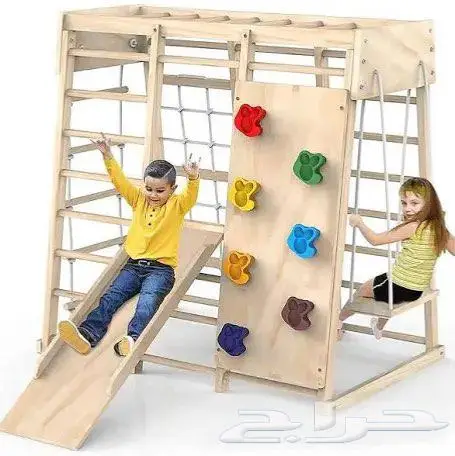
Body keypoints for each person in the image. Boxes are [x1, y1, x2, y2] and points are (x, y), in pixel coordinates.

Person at [59, 134, 201, 356]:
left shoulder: (177, 206)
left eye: (160, 191)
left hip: (161, 270)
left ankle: (132, 339)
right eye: (149, 189)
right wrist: (107, 155)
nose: (153, 195)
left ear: (172, 189)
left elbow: (191, 196)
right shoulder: (138, 200)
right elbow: (120, 181)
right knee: (111, 297)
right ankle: (87, 334)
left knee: (147, 303)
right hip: (133, 266)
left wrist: (193, 179)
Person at [339, 177, 455, 339]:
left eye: (414, 203)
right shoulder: (440, 229)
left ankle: (337, 321)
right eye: (404, 203)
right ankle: (378, 325)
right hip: (417, 288)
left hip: (400, 285)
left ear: (429, 203)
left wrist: (359, 223)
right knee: (386, 295)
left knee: (362, 291)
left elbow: (375, 240)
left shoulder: (413, 227)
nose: (408, 208)